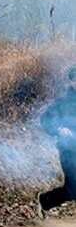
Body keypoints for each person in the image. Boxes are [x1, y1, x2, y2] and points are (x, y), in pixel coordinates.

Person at [38, 66, 76, 215]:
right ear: (72, 82)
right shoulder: (63, 102)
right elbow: (45, 119)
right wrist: (58, 128)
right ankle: (46, 199)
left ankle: (47, 200)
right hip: (69, 151)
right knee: (73, 188)